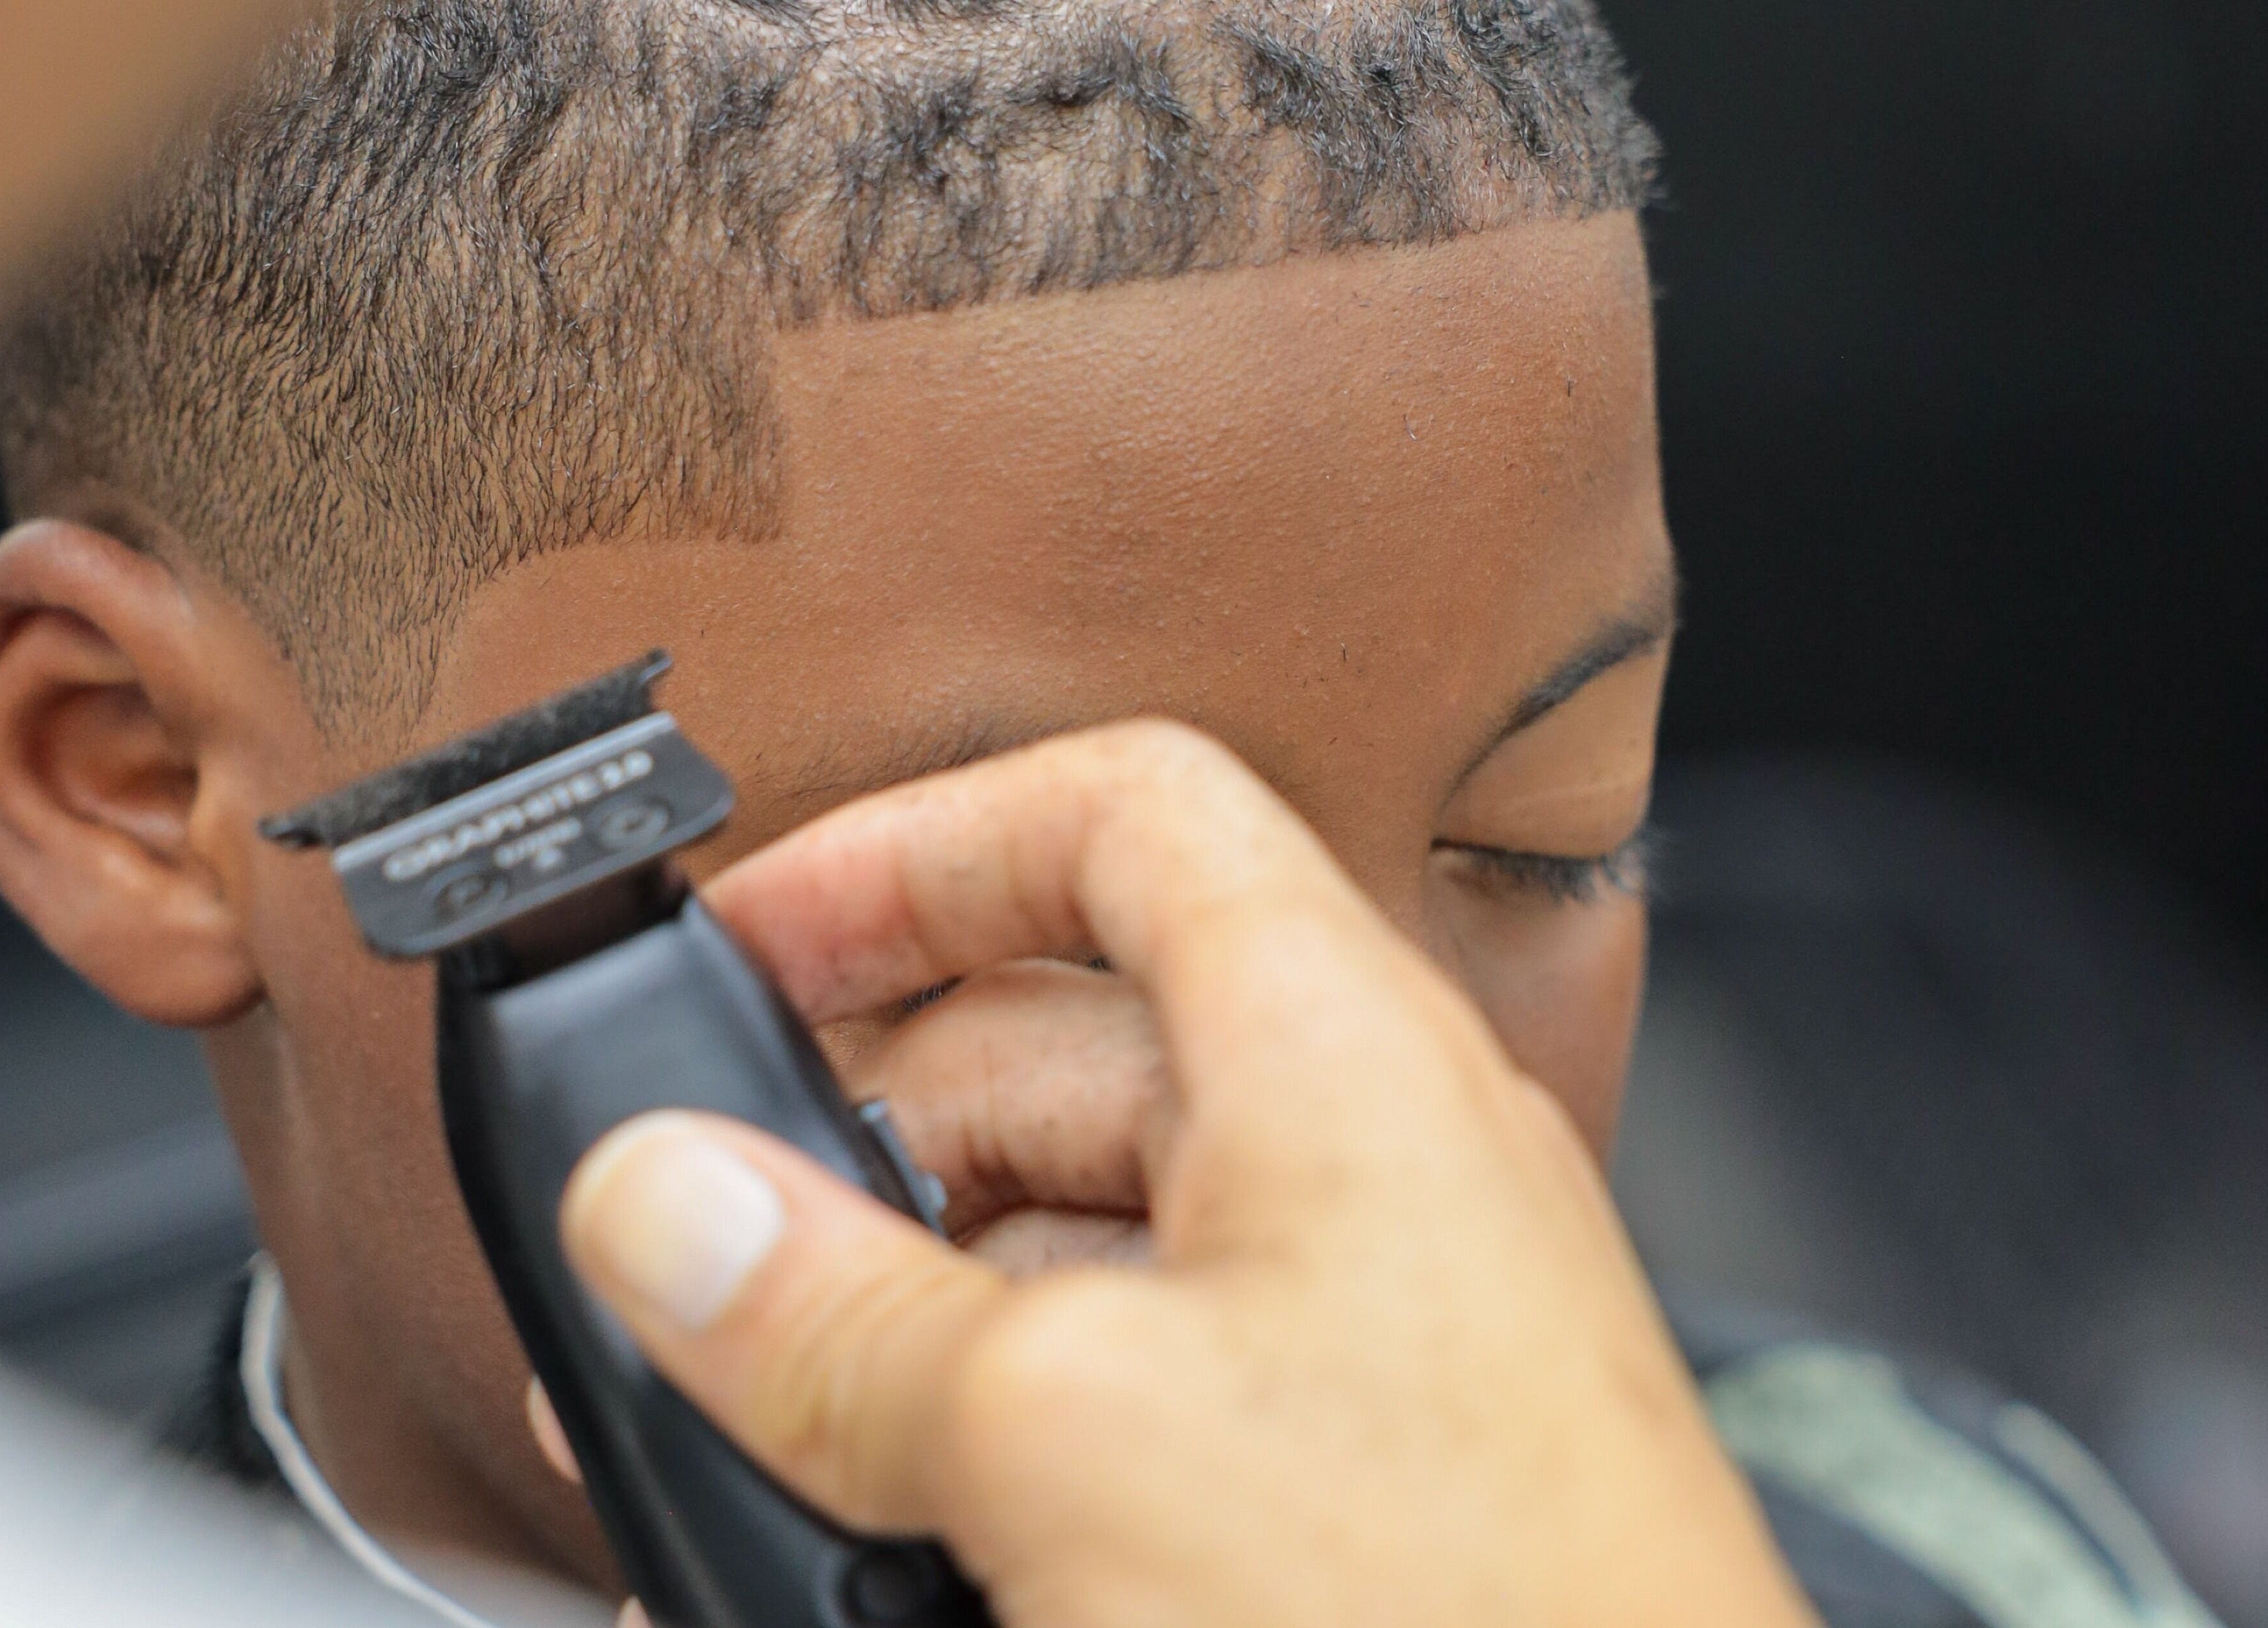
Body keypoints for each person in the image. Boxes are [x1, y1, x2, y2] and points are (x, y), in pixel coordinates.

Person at [0, 2, 2214, 1624]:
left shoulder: (1946, 1548)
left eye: (1552, 837)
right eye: (990, 922)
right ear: (138, 788)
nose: (1397, 1112)